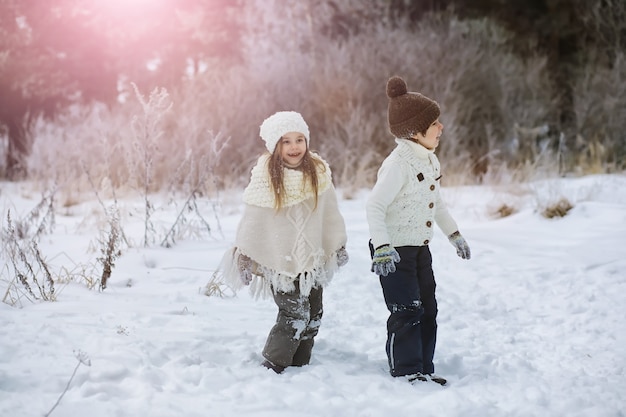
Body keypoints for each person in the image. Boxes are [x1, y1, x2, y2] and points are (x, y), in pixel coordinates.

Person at [219, 110, 348, 374]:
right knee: (295, 313)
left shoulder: (319, 173)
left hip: (312, 259)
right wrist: (246, 254)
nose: (294, 147)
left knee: (313, 312)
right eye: (286, 141)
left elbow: (330, 213)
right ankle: (274, 363)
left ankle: (300, 362)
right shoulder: (266, 178)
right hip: (280, 262)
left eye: (299, 139)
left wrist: (337, 244)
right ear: (275, 145)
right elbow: (253, 219)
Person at [365, 76, 471, 386]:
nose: (441, 128)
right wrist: (383, 247)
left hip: (420, 248)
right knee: (406, 310)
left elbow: (436, 202)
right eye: (435, 123)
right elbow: (374, 206)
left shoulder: (430, 160)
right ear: (415, 130)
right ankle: (406, 371)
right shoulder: (399, 164)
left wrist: (454, 235)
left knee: (427, 308)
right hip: (394, 251)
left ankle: (423, 367)